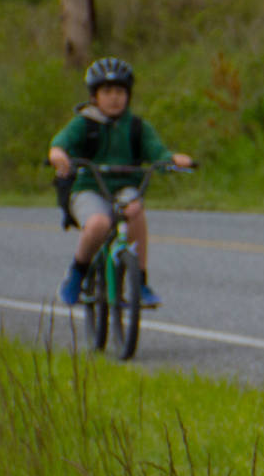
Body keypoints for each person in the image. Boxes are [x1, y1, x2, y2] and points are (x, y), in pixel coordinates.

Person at [47, 57, 194, 308]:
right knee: (98, 224)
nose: (114, 98)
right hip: (89, 189)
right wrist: (57, 154)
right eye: (107, 92)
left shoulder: (137, 127)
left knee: (135, 210)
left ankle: (141, 282)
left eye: (120, 92)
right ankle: (77, 273)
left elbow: (158, 152)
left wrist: (173, 160)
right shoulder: (84, 123)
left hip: (125, 188)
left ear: (128, 95)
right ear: (94, 96)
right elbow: (61, 143)